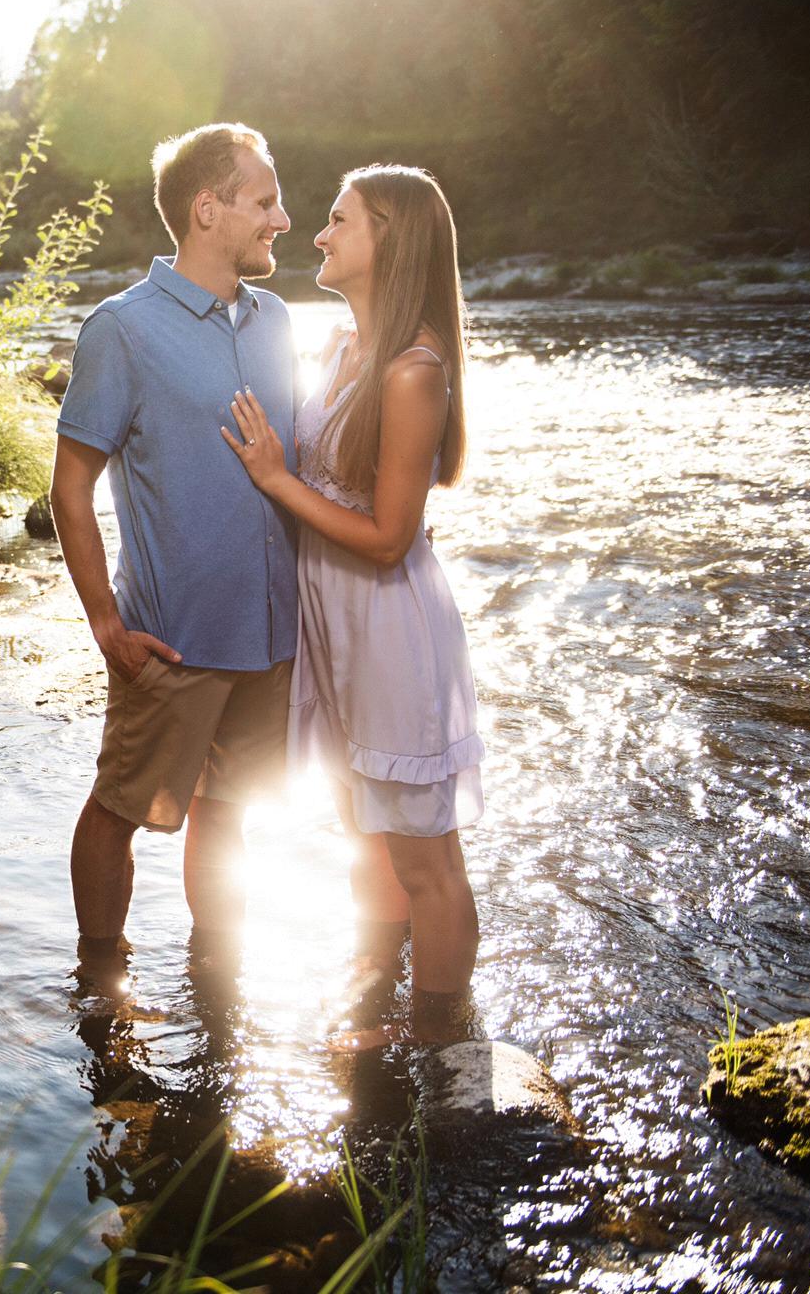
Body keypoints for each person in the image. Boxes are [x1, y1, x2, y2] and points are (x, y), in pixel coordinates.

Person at [222, 164, 483, 1046]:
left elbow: (387, 538)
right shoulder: (340, 347)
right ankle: (376, 995)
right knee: (361, 824)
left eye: (340, 221)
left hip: (387, 624)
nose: (320, 235)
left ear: (389, 242)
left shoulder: (414, 371)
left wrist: (273, 480)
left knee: (423, 850)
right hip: (331, 621)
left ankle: (443, 1041)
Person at [50, 123, 299, 971]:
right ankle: (99, 983)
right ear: (208, 208)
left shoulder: (278, 322)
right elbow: (69, 489)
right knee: (119, 808)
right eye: (264, 200)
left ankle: (216, 975)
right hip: (174, 641)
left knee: (229, 813)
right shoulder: (122, 330)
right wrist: (105, 625)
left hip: (272, 640)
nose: (283, 219)